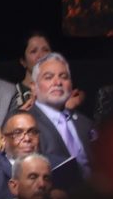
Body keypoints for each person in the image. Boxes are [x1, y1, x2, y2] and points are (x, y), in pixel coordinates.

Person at [22, 55, 95, 183]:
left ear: (71, 84)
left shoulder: (85, 122)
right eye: (49, 77)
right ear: (34, 87)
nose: (57, 83)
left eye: (64, 77)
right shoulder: (25, 124)